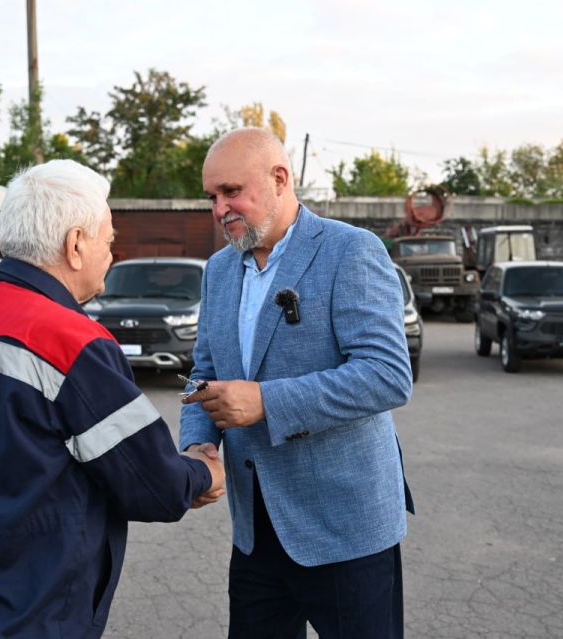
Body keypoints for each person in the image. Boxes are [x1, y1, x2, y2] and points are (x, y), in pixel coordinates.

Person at [0, 159, 226, 639]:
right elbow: (154, 484)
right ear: (75, 244)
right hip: (29, 608)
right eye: (109, 240)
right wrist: (204, 471)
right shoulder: (76, 345)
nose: (111, 255)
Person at [180, 128, 415, 639]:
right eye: (212, 197)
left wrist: (266, 401)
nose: (220, 209)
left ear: (280, 179)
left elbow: (387, 375)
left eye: (231, 192)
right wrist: (199, 443)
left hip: (346, 530)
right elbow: (202, 373)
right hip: (256, 532)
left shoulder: (351, 251)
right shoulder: (219, 270)